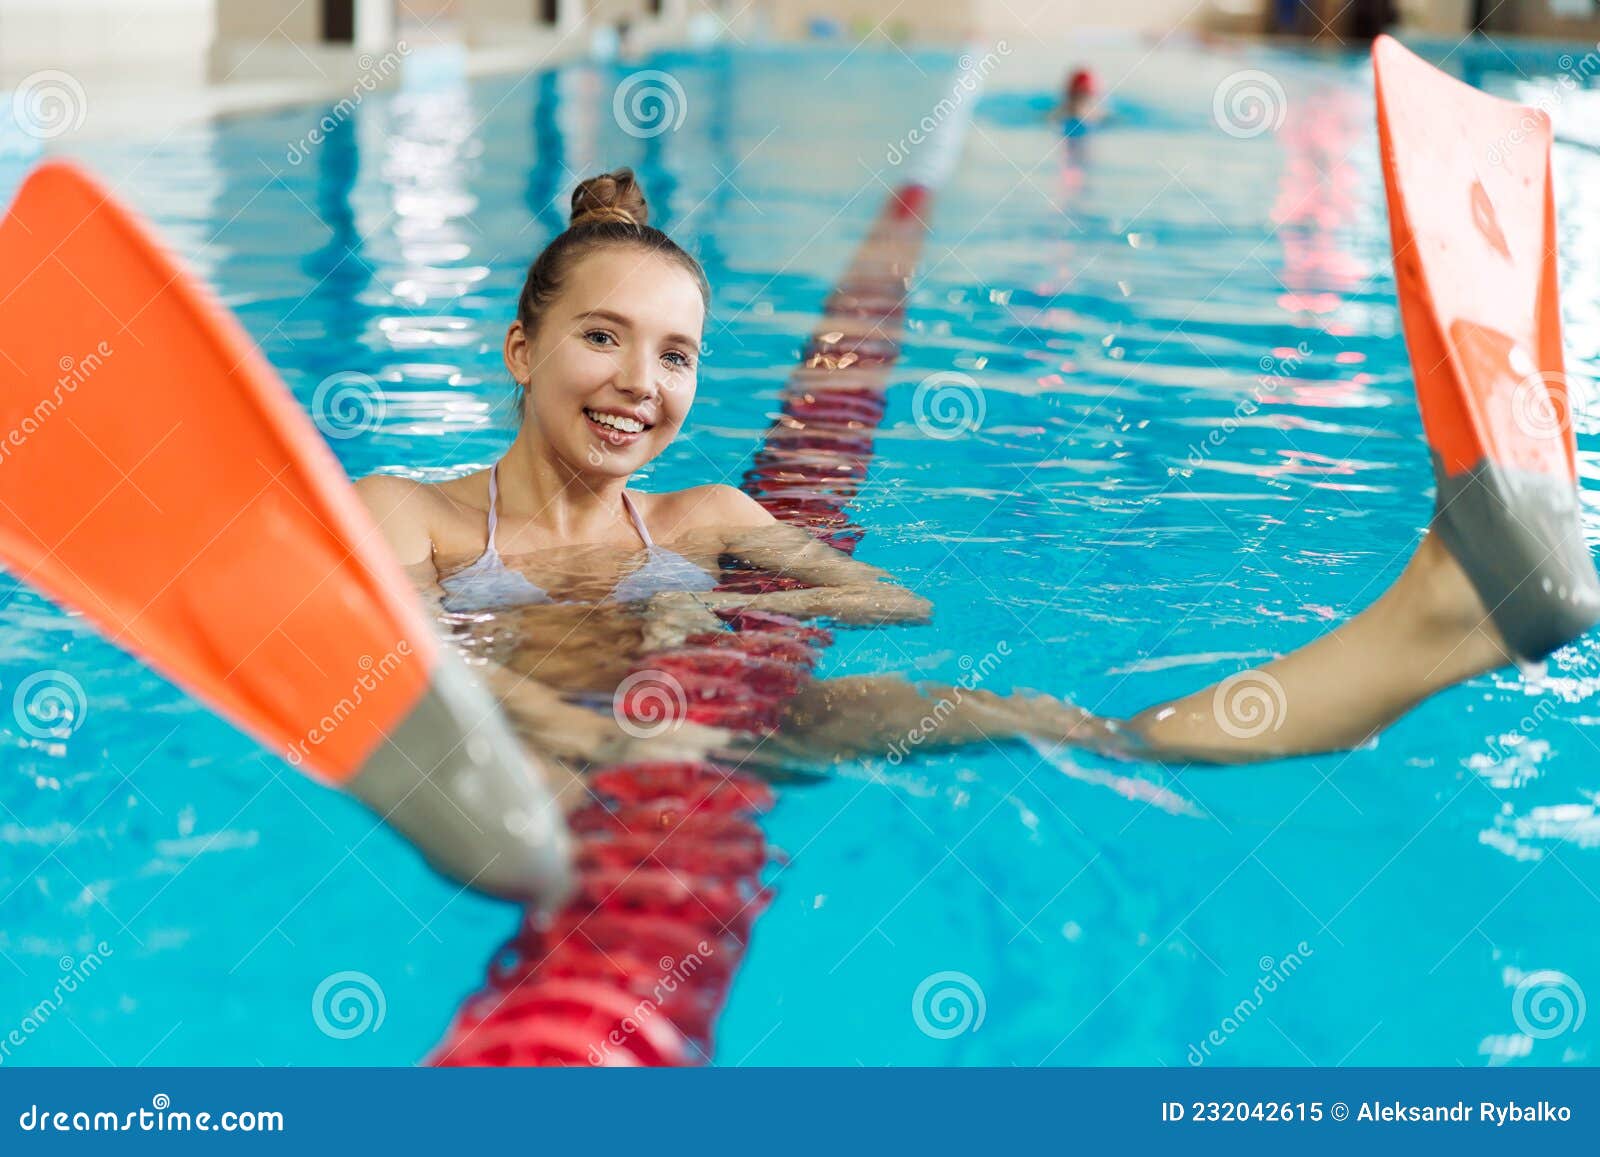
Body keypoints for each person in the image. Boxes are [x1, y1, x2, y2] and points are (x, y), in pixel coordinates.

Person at [357, 167, 1598, 794]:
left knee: (1080, 735)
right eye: (601, 335)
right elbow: (398, 680)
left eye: (676, 351)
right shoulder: (408, 512)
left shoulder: (708, 517)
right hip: (539, 776)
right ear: (520, 349)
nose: (640, 379)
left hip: (722, 739)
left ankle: (1442, 617)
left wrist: (728, 605)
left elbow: (891, 605)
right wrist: (593, 728)